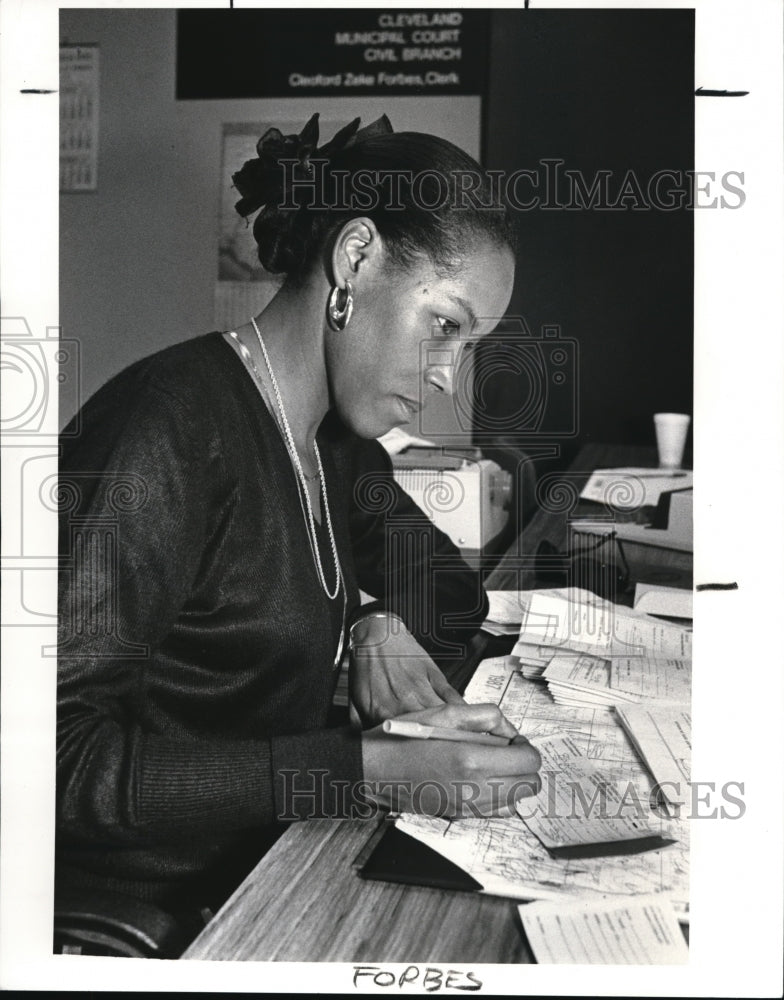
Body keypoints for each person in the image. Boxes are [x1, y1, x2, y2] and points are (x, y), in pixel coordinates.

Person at [55, 113, 541, 941]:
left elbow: (452, 596)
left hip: (287, 849)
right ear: (355, 258)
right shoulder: (163, 428)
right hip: (177, 913)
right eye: (446, 326)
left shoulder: (334, 441)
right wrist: (362, 771)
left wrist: (370, 618)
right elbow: (57, 765)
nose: (445, 380)